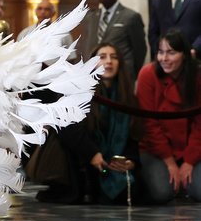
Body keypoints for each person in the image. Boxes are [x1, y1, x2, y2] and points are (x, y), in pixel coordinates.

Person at [34, 43, 143, 204]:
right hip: (81, 157)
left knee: (137, 194)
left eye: (114, 57)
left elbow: (132, 132)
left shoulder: (126, 96)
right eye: (102, 57)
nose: (109, 62)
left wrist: (130, 160)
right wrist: (92, 153)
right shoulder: (80, 88)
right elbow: (67, 127)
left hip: (112, 161)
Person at [137, 29, 201, 203]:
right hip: (156, 150)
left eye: (171, 52)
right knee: (162, 193)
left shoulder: (196, 76)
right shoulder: (147, 74)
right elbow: (149, 124)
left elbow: (199, 125)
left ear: (184, 55)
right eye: (161, 52)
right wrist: (170, 163)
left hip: (191, 149)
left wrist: (189, 161)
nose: (164, 58)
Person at [79, 0, 147, 78]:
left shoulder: (130, 17)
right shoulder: (90, 18)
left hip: (122, 77)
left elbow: (140, 50)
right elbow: (87, 47)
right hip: (94, 77)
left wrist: (130, 74)